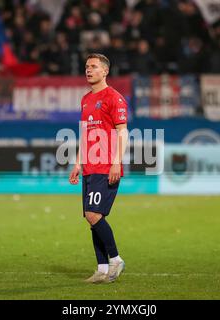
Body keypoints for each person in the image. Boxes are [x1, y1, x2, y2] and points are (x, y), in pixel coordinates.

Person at [69, 53, 128, 284]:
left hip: (106, 166)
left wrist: (116, 161)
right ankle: (102, 269)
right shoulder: (85, 100)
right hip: (89, 167)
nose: (88, 70)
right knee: (92, 217)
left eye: (93, 66)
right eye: (86, 66)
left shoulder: (114, 98)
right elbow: (85, 135)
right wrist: (77, 162)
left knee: (93, 215)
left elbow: (123, 131)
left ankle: (115, 259)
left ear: (105, 71)